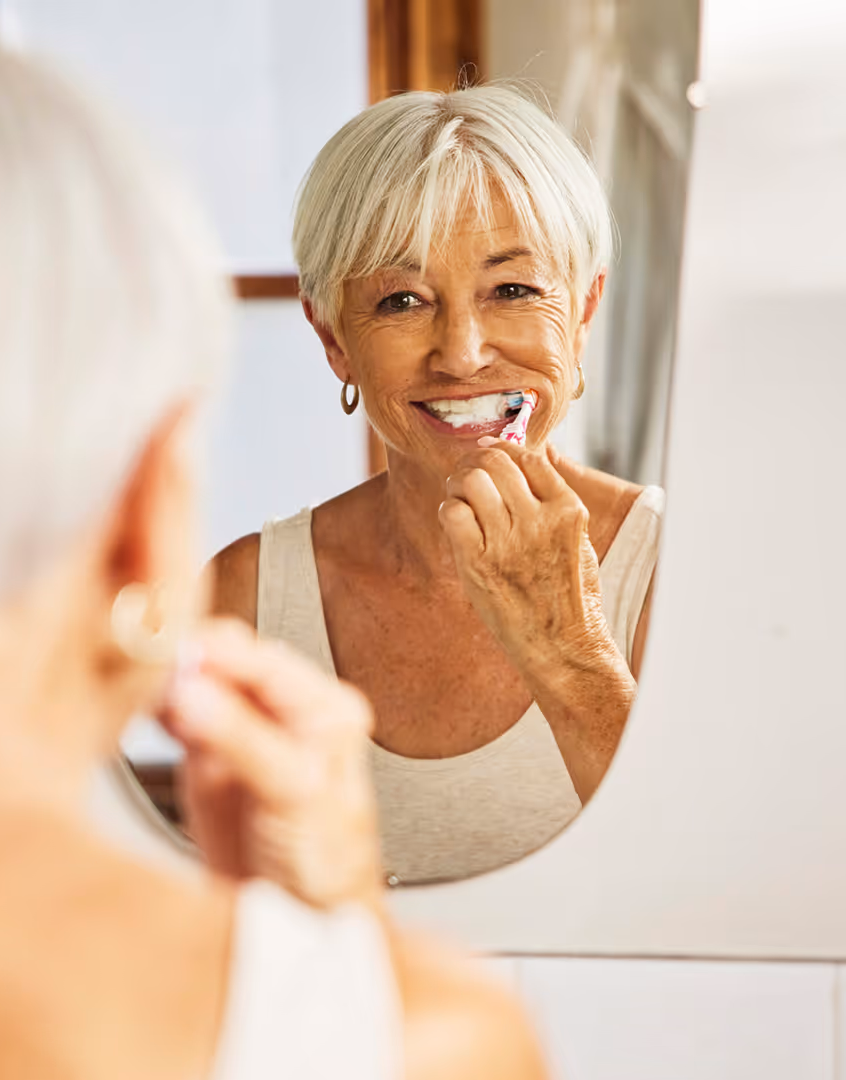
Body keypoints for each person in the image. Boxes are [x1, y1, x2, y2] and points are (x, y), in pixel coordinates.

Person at [0, 36, 546, 1080]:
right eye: (401, 298)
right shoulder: (427, 1039)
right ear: (146, 505)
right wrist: (338, 975)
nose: (460, 348)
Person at [214, 87, 664, 885]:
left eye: (514, 290)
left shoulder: (677, 570)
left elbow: (722, 894)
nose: (460, 354)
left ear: (585, 311)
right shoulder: (244, 597)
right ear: (333, 341)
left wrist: (568, 649)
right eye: (402, 301)